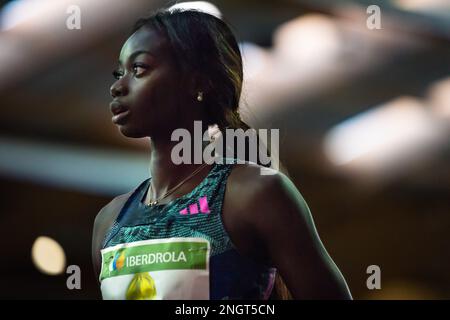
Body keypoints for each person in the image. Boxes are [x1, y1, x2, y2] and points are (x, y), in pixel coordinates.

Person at [91, 5, 352, 300]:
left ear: (199, 82)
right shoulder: (109, 222)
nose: (117, 86)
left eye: (139, 69)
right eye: (119, 72)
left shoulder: (254, 194)